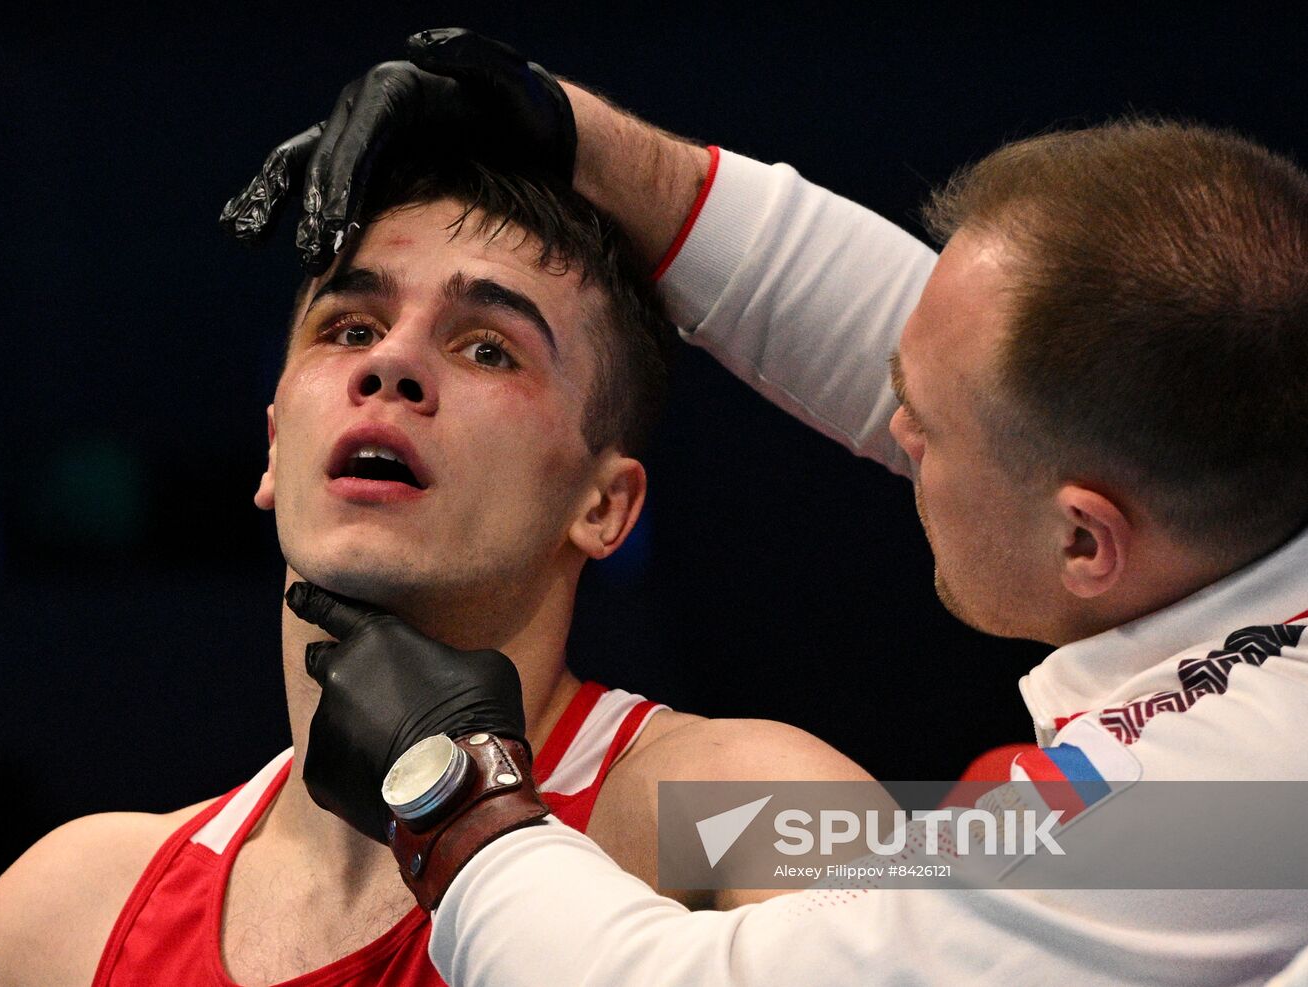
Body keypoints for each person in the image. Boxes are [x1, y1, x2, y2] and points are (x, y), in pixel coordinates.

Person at [260, 31, 1308, 985]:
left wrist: (454, 794)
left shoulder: (1210, 815)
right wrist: (576, 138)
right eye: (349, 329)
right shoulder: (1240, 465)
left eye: (489, 348)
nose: (890, 426)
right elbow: (1018, 373)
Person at [0, 156, 876, 986]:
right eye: (349, 328)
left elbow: (951, 944)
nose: (391, 363)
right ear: (274, 444)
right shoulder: (71, 914)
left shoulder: (743, 803)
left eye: (488, 348)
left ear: (604, 505)